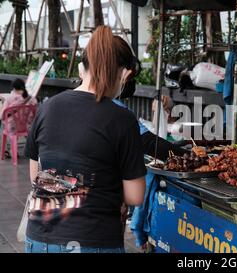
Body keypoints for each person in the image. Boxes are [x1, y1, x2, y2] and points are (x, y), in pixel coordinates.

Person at [24, 26, 147, 253]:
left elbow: (35, 175)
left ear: (83, 68)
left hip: (39, 238)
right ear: (124, 74)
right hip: (93, 239)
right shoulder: (122, 119)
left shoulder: (47, 108)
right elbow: (135, 195)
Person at [78, 49, 186, 161]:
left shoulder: (64, 102)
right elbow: (148, 142)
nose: (128, 82)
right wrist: (188, 156)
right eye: (129, 78)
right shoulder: (116, 110)